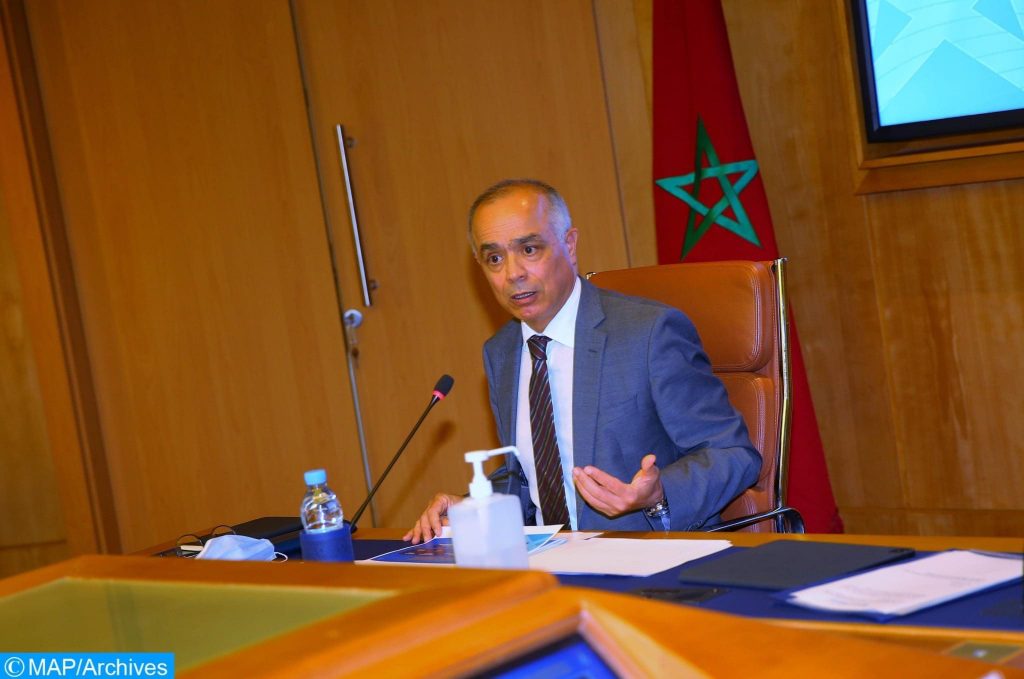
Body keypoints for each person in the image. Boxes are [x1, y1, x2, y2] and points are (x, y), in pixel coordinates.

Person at [404, 179, 759, 543]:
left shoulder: (649, 332)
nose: (512, 273)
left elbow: (734, 454)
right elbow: (529, 476)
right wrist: (471, 506)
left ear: (570, 245)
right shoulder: (502, 351)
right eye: (494, 258)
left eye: (529, 249)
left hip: (643, 552)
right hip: (547, 556)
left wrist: (658, 494)